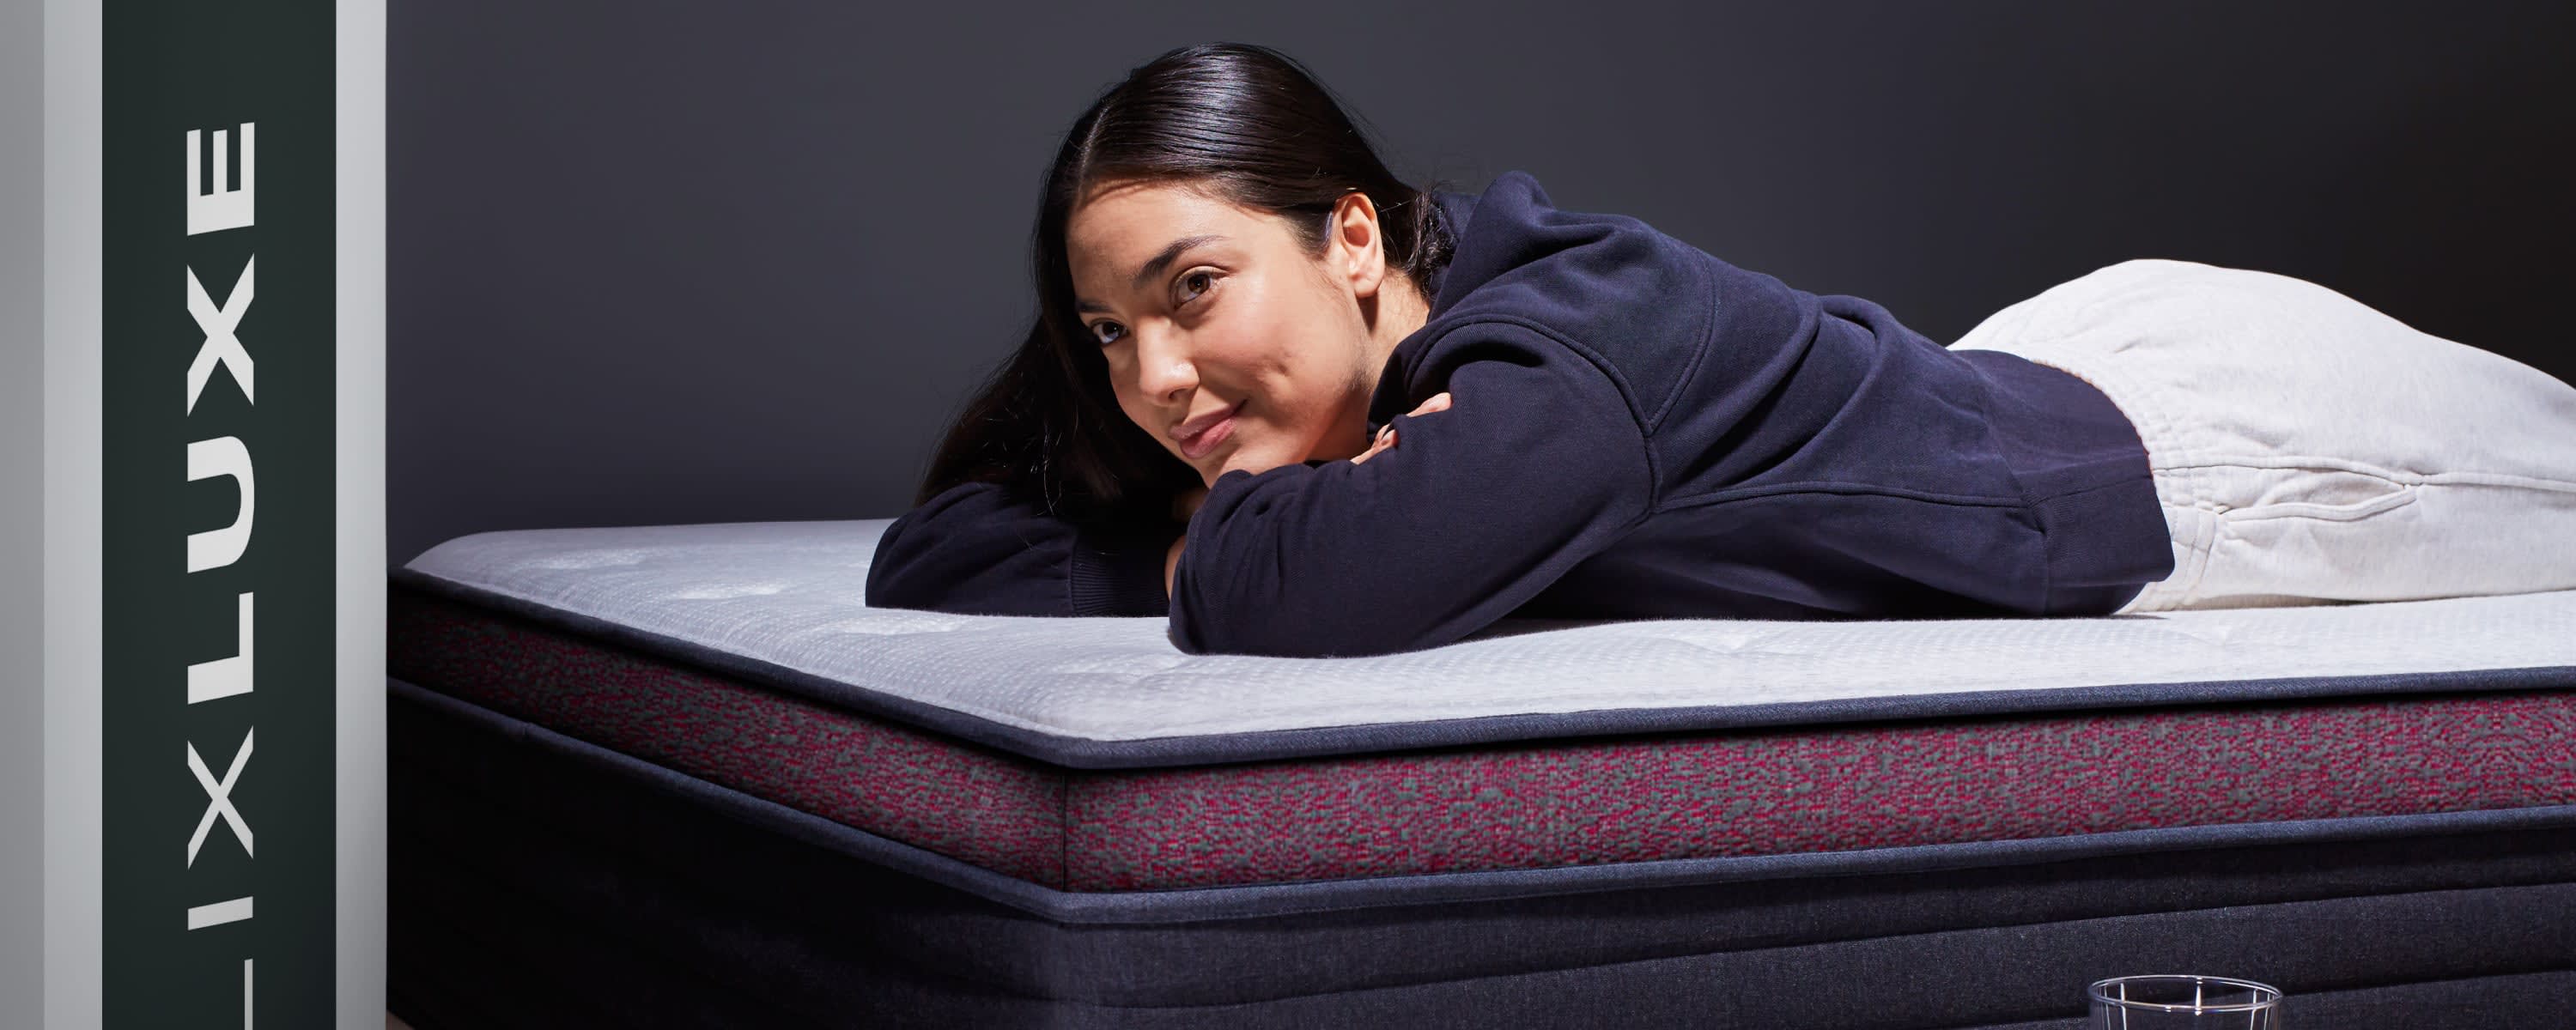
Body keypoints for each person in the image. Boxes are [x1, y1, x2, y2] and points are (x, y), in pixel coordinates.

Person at [864, 41, 2576, 657]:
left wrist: (1227, 550)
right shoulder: (1427, 370)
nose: (1153, 380)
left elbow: (1336, 589)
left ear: (1358, 237)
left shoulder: (1568, 343)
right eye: (1107, 332)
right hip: (2020, 364)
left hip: (2215, 453)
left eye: (1192, 290)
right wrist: (1219, 529)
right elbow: (935, 556)